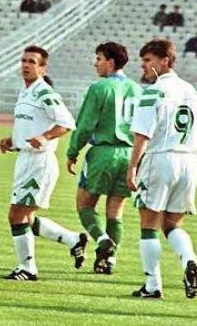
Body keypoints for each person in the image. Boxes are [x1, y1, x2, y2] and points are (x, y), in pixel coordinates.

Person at [0, 45, 87, 281]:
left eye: (32, 62)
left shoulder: (45, 93)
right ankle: (72, 239)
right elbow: (30, 126)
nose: (26, 65)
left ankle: (27, 268)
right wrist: (13, 141)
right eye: (24, 61)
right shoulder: (25, 92)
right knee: (24, 217)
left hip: (40, 162)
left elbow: (67, 122)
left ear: (42, 68)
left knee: (17, 216)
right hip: (25, 158)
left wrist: (45, 137)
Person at [127, 39, 197, 299]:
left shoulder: (154, 91)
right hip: (190, 162)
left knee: (149, 224)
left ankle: (152, 285)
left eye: (148, 60)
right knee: (172, 224)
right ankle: (189, 260)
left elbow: (142, 134)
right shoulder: (193, 92)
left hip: (161, 158)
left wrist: (132, 168)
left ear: (165, 61)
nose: (144, 66)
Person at [66, 42, 142, 275]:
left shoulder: (100, 88)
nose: (95, 63)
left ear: (110, 62)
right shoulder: (138, 90)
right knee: (115, 211)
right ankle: (108, 261)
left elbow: (85, 124)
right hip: (129, 154)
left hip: (103, 152)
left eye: (98, 58)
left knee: (84, 204)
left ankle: (101, 241)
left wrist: (72, 152)